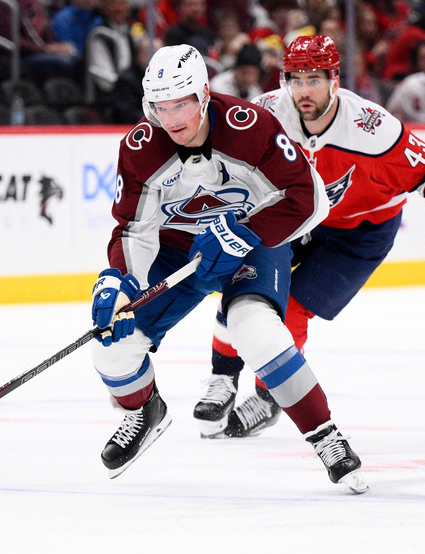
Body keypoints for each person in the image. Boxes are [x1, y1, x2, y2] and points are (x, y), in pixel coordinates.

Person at [89, 43, 368, 493]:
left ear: (203, 94)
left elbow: (309, 200)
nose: (172, 117)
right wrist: (119, 282)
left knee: (255, 329)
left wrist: (243, 232)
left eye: (181, 103)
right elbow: (133, 230)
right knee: (112, 344)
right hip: (177, 248)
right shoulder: (140, 147)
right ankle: (144, 411)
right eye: (161, 106)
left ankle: (326, 437)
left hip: (252, 240)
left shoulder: (250, 126)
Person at [192, 35, 425, 446]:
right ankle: (223, 378)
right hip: (302, 218)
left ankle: (270, 398)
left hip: (360, 233)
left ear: (335, 80)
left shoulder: (371, 129)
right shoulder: (269, 113)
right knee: (241, 282)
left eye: (314, 80)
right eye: (296, 80)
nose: (304, 91)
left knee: (289, 312)